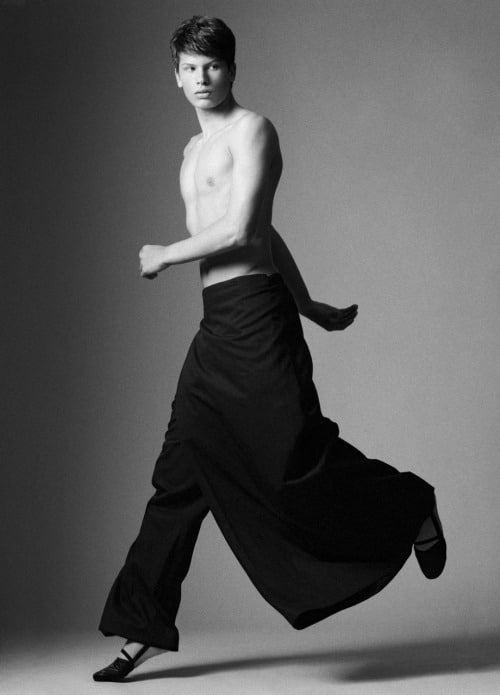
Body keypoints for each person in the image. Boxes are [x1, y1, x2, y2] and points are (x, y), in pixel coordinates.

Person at [93, 16, 446, 682]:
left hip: (257, 320)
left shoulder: (254, 130)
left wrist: (167, 253)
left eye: (213, 66)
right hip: (217, 325)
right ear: (175, 76)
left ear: (232, 69)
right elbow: (269, 235)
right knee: (178, 476)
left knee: (292, 460)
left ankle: (410, 504)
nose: (202, 78)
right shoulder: (191, 151)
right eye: (190, 68)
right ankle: (142, 623)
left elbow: (243, 228)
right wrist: (309, 301)